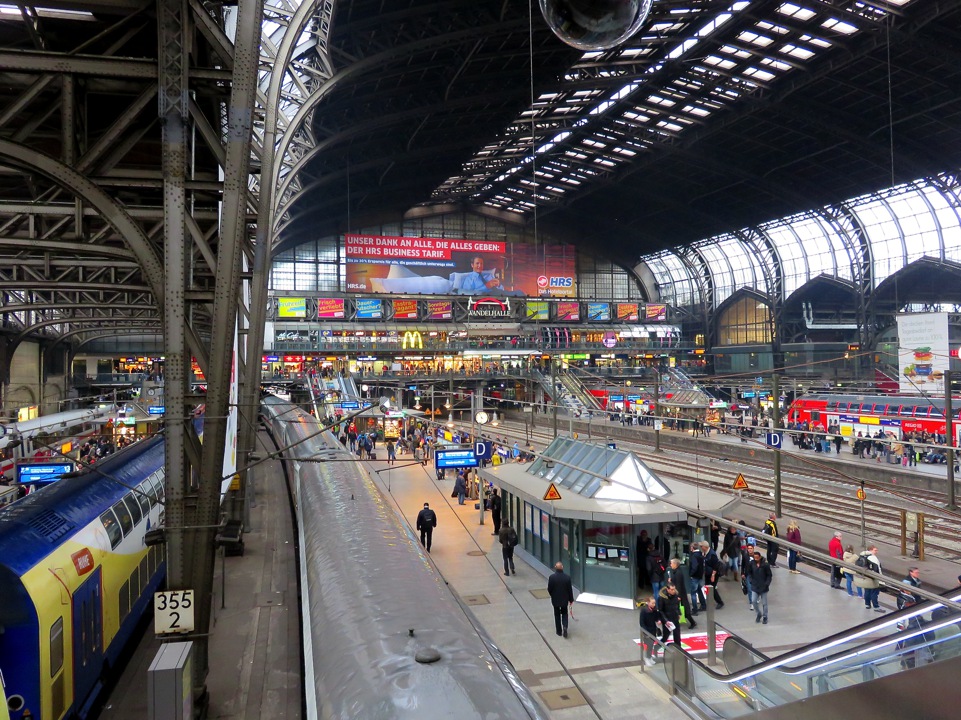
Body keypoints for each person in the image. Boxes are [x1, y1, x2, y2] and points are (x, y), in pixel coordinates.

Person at [666, 558, 696, 629]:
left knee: (683, 609)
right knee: (680, 608)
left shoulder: (678, 573)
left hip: (680, 594)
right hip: (680, 594)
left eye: (671, 563)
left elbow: (678, 585)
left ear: (675, 564)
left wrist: (678, 596)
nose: (670, 565)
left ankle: (692, 622)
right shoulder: (676, 572)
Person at [547, 562, 575, 637]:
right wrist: (571, 599)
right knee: (564, 613)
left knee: (557, 615)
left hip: (555, 599)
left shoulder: (552, 577)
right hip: (564, 600)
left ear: (555, 567)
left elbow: (549, 589)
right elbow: (570, 590)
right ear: (562, 567)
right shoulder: (567, 578)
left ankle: (559, 631)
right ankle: (565, 626)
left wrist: (552, 595)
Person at [854, 545, 884, 613]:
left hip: (866, 577)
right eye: (875, 550)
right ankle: (876, 606)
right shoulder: (872, 558)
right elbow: (877, 569)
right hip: (873, 578)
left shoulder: (862, 556)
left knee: (867, 591)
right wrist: (880, 578)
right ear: (870, 550)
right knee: (874, 592)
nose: (876, 552)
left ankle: (867, 604)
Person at [749, 551, 773, 624]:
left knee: (764, 603)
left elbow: (769, 575)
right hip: (755, 586)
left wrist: (767, 584)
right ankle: (758, 613)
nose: (756, 559)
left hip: (763, 587)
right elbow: (750, 573)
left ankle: (765, 616)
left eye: (757, 557)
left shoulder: (765, 565)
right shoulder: (751, 564)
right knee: (753, 601)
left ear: (760, 557)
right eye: (754, 557)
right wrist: (751, 580)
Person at [639, 596, 663, 666]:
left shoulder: (654, 610)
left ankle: (649, 657)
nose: (654, 605)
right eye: (652, 603)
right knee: (648, 645)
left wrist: (658, 620)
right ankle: (646, 658)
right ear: (648, 603)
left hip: (653, 629)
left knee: (651, 644)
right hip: (647, 631)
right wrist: (645, 632)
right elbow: (642, 622)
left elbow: (656, 617)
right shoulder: (644, 611)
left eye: (654, 603)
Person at [699, 541, 725, 609]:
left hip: (713, 574)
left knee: (712, 588)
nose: (701, 547)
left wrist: (713, 575)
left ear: (705, 547)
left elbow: (715, 566)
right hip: (708, 573)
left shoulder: (712, 554)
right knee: (708, 587)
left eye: (702, 546)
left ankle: (720, 602)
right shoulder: (705, 552)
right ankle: (710, 600)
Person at [688, 542, 706, 615]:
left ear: (692, 548)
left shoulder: (694, 556)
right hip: (699, 575)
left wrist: (691, 574)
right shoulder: (700, 554)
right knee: (699, 590)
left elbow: (694, 567)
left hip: (695, 576)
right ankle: (703, 605)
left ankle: (694, 609)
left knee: (693, 593)